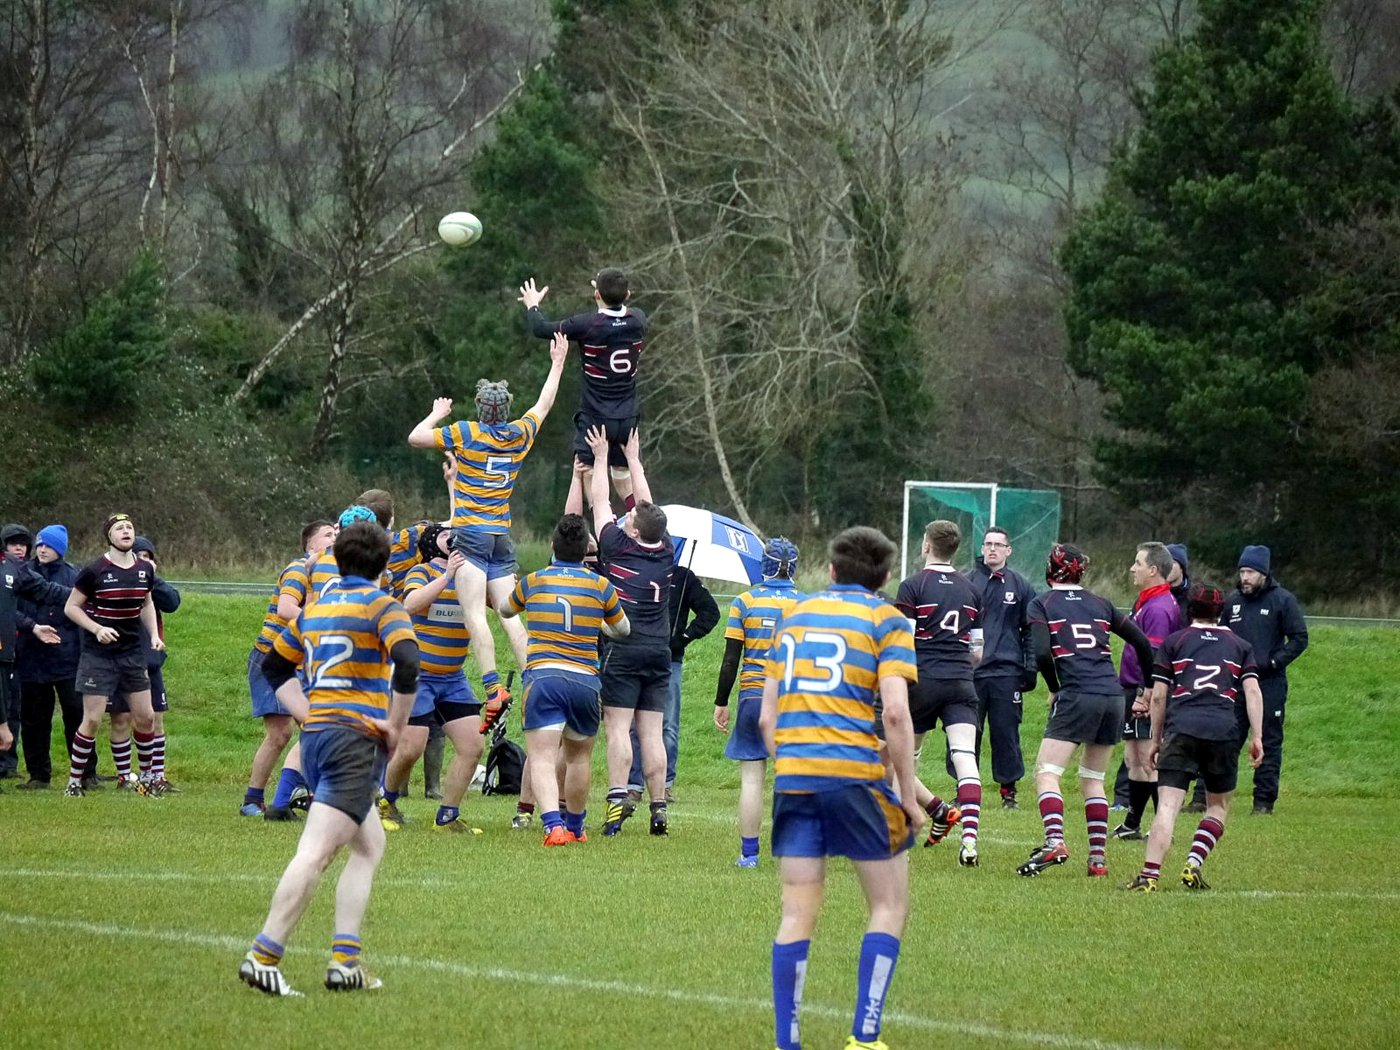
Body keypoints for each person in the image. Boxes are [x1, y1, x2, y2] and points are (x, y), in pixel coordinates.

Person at [759, 526, 925, 1050]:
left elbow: (766, 719)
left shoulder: (793, 616)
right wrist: (907, 794)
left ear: (830, 570)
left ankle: (788, 1042)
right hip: (854, 777)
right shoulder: (886, 619)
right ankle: (865, 1037)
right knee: (888, 905)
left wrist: (796, 764)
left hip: (794, 779)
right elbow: (895, 714)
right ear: (885, 577)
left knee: (796, 913)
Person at [238, 521, 419, 996]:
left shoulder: (316, 608)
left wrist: (306, 713)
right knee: (316, 851)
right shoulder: (384, 605)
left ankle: (345, 962)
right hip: (354, 740)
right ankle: (264, 955)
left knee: (369, 845)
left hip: (319, 737)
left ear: (336, 560)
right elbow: (408, 661)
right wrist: (396, 725)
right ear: (384, 564)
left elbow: (274, 664)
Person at [407, 331, 568, 725]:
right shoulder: (519, 433)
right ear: (507, 408)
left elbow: (415, 437)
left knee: (475, 614)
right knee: (511, 617)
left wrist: (437, 413)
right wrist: (558, 362)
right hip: (500, 538)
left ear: (480, 408)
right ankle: (536, 685)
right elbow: (544, 404)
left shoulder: (465, 432)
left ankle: (494, 689)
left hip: (470, 537)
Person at [1017, 543, 1154, 878]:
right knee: (1093, 779)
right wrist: (1148, 687)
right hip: (1112, 696)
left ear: (1052, 569)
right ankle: (1097, 860)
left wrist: (1054, 688)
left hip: (1078, 694)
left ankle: (1054, 841)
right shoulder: (1101, 603)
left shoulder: (1042, 603)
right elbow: (1143, 643)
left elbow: (1042, 655)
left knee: (1047, 772)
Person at [499, 513, 630, 845]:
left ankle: (553, 827)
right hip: (585, 680)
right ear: (586, 550)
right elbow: (623, 629)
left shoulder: (534, 581)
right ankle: (576, 826)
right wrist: (600, 623)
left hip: (544, 677)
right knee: (579, 757)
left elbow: (505, 610)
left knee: (542, 757)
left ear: (552, 545)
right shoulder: (600, 585)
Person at [1124, 583, 1264, 892]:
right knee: (1218, 806)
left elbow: (1158, 696)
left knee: (1167, 807)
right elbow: (1253, 691)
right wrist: (1257, 736)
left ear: (1190, 610)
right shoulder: (1240, 645)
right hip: (1223, 731)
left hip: (1182, 728)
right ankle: (1193, 862)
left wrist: (1156, 739)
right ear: (1221, 611)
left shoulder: (1175, 642)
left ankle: (1149, 877)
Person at [584, 426, 675, 837]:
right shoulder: (667, 549)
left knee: (618, 728)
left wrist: (602, 456)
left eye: (631, 518)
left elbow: (600, 501)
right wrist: (634, 460)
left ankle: (616, 803)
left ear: (634, 531)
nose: (627, 515)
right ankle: (659, 808)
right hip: (659, 650)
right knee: (652, 732)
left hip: (623, 646)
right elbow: (648, 506)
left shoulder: (617, 545)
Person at [378, 523, 487, 836]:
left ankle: (447, 817)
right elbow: (410, 603)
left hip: (453, 677)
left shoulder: (471, 574)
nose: (451, 534)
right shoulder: (422, 571)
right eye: (443, 533)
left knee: (472, 746)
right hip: (418, 675)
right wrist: (446, 576)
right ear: (430, 543)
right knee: (411, 747)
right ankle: (385, 802)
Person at [894, 520, 986, 867]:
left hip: (923, 680)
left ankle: (905, 835)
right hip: (961, 680)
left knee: (904, 759)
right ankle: (970, 842)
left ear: (926, 545)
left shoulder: (913, 586)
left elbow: (903, 642)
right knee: (965, 758)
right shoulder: (971, 590)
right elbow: (977, 651)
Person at [519, 269, 647, 505]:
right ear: (628, 294)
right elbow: (618, 312)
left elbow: (540, 328)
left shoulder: (586, 325)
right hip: (627, 417)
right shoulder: (638, 319)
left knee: (588, 471)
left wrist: (532, 304)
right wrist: (607, 293)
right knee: (623, 474)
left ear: (596, 294)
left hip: (595, 417)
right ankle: (640, 520)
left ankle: (604, 521)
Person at [713, 536, 803, 868]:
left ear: (763, 564)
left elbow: (730, 660)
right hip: (794, 700)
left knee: (752, 779)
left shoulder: (744, 602)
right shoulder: (807, 605)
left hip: (754, 696)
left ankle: (749, 855)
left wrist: (721, 702)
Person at [61, 514, 165, 797]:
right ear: (109, 536)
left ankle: (146, 780)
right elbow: (71, 607)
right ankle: (74, 782)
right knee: (93, 720)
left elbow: (147, 603)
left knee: (146, 717)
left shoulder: (145, 569)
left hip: (132, 653)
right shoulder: (94, 570)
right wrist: (97, 629)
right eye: (119, 528)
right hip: (98, 656)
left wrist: (154, 635)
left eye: (129, 527)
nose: (126, 531)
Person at [241, 519, 336, 817]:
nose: (335, 539)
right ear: (310, 545)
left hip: (300, 662)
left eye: (336, 533)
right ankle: (252, 800)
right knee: (280, 733)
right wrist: (326, 621)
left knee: (317, 728)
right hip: (272, 659)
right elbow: (285, 609)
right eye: (328, 535)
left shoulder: (326, 573)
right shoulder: (298, 569)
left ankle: (304, 793)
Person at [1223, 544, 1308, 814]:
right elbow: (1221, 635)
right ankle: (1207, 797)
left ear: (1263, 573)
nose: (1245, 578)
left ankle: (1263, 802)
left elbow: (1299, 638)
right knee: (1224, 739)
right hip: (1236, 684)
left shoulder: (1283, 600)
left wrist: (1273, 662)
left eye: (1250, 572)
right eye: (1242, 572)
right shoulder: (1233, 601)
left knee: (1269, 741)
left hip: (1268, 683)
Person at [626, 560, 719, 804]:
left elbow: (711, 612)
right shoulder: (634, 571)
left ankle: (665, 784)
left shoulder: (684, 577)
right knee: (634, 725)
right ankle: (633, 785)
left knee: (667, 725)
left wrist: (684, 637)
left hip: (670, 661)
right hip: (636, 656)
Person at [1111, 541, 1183, 841]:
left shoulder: (1159, 607)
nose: (1132, 568)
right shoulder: (1147, 601)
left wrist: (1145, 693)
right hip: (1133, 688)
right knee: (1133, 760)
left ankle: (1162, 825)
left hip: (1146, 692)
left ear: (1153, 570)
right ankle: (1132, 824)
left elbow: (1155, 656)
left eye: (1138, 563)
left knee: (1149, 760)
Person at [965, 525, 1038, 810]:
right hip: (972, 673)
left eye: (998, 544)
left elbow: (1030, 631)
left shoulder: (1020, 586)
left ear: (1008, 550)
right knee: (967, 732)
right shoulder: (967, 582)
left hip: (1007, 672)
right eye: (988, 544)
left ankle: (1009, 792)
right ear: (982, 548)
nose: (992, 549)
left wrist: (1030, 667)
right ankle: (965, 788)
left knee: (1005, 734)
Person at [106, 536, 181, 792]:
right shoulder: (113, 579)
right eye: (138, 556)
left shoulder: (152, 583)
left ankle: (156, 776)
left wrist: (151, 578)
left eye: (147, 557)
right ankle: (124, 777)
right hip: (120, 659)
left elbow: (172, 602)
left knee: (155, 718)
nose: (142, 561)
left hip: (150, 662)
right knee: (121, 718)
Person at [1, 523, 69, 786]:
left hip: (14, 653)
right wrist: (32, 626)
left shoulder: (15, 568)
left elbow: (47, 591)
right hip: (22, 654)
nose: (20, 548)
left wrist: (86, 594)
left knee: (10, 712)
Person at [16, 524, 81, 789]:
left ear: (60, 549)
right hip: (31, 655)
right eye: (40, 544)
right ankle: (38, 775)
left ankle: (84, 772)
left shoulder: (74, 575)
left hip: (67, 656)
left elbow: (80, 611)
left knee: (76, 714)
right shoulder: (22, 572)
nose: (43, 549)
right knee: (34, 719)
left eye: (49, 545)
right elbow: (12, 608)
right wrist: (32, 627)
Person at [1, 522, 38, 775]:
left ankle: (8, 763)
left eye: (24, 544)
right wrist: (31, 625)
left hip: (21, 650)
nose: (19, 548)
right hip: (5, 647)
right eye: (14, 543)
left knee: (14, 707)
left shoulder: (27, 574)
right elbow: (9, 611)